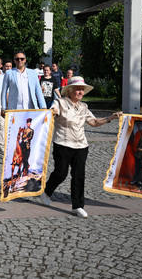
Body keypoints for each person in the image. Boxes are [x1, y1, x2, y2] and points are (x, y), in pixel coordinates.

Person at [40, 76, 122, 217]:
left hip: (81, 145)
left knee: (78, 176)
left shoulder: (84, 107)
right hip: (63, 143)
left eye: (82, 90)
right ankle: (46, 192)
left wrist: (111, 117)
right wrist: (53, 111)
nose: (80, 92)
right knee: (61, 173)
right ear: (70, 90)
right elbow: (53, 110)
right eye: (78, 89)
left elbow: (94, 122)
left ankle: (77, 206)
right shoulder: (60, 102)